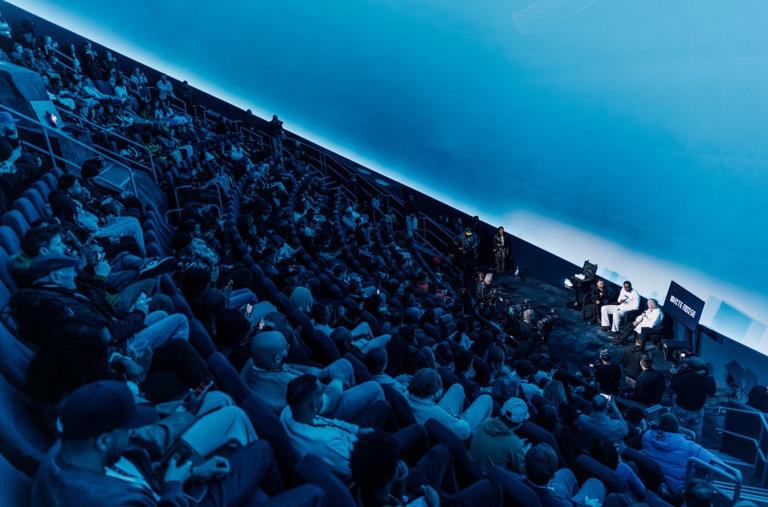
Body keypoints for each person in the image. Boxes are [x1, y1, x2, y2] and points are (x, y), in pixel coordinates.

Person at [32, 380, 324, 506]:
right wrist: (174, 487)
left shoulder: (70, 445)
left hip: (162, 485)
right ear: (105, 439)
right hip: (172, 497)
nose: (132, 432)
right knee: (313, 493)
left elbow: (134, 469)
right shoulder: (97, 500)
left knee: (261, 449)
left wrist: (192, 474)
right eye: (126, 429)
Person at [240, 330, 385, 422]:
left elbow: (288, 367)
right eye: (285, 347)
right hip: (322, 412)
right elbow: (327, 404)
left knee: (344, 363)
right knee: (375, 387)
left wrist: (319, 373)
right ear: (277, 358)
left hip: (313, 392)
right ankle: (351, 415)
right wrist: (337, 381)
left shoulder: (253, 362)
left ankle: (349, 396)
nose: (289, 348)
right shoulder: (287, 384)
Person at [407, 368, 492, 441]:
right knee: (486, 399)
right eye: (440, 388)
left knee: (457, 388)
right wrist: (455, 419)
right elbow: (464, 430)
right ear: (435, 393)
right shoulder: (435, 413)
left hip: (441, 416)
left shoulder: (405, 396)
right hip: (456, 428)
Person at [641, 413, 716, 495]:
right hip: (679, 489)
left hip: (655, 483)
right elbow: (718, 466)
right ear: (677, 428)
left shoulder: (647, 437)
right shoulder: (690, 447)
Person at [525, 442, 606, 507]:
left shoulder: (516, 479)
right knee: (595, 483)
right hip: (560, 501)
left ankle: (574, 496)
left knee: (566, 472)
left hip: (538, 489)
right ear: (553, 476)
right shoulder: (559, 504)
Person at [468, 397, 529, 476]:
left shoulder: (485, 423)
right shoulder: (514, 443)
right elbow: (522, 469)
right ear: (519, 424)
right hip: (487, 482)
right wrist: (523, 451)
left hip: (468, 471)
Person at [670, 356, 716, 440]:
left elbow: (673, 386)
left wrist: (675, 374)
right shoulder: (709, 379)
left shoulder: (684, 378)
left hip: (682, 410)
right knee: (696, 433)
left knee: (679, 430)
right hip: (698, 411)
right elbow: (712, 393)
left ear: (690, 367)